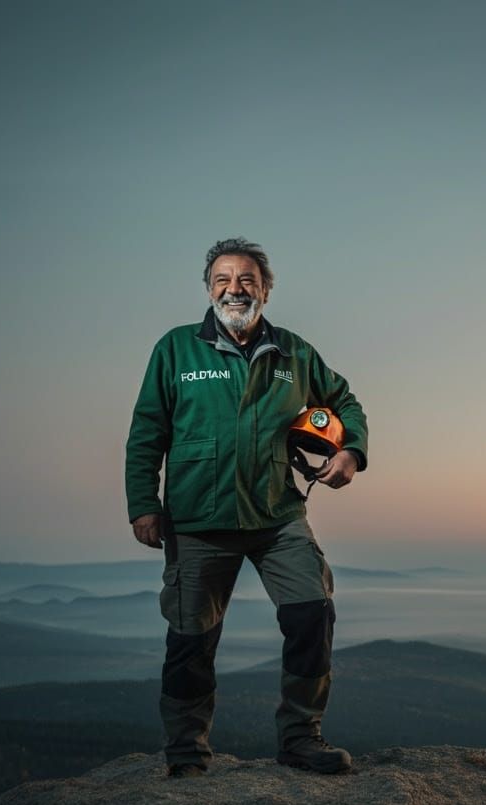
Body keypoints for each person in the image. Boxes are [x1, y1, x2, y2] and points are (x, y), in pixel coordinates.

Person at [125, 237, 367, 777]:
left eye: (247, 280)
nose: (234, 289)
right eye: (222, 280)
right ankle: (186, 753)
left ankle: (301, 739)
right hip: (197, 522)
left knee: (312, 615)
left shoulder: (294, 353)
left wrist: (351, 450)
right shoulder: (176, 349)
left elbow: (344, 402)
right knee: (191, 642)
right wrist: (143, 503)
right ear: (209, 289)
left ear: (266, 289)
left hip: (278, 517)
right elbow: (147, 430)